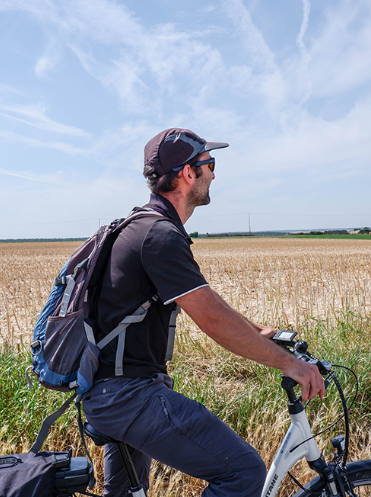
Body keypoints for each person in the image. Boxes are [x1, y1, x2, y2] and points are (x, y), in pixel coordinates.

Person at [82, 128, 325, 497]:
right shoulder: (158, 235)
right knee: (243, 473)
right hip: (127, 396)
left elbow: (205, 301)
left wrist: (259, 332)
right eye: (209, 164)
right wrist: (290, 364)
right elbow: (210, 318)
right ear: (187, 174)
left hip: (116, 392)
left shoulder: (145, 225)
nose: (214, 173)